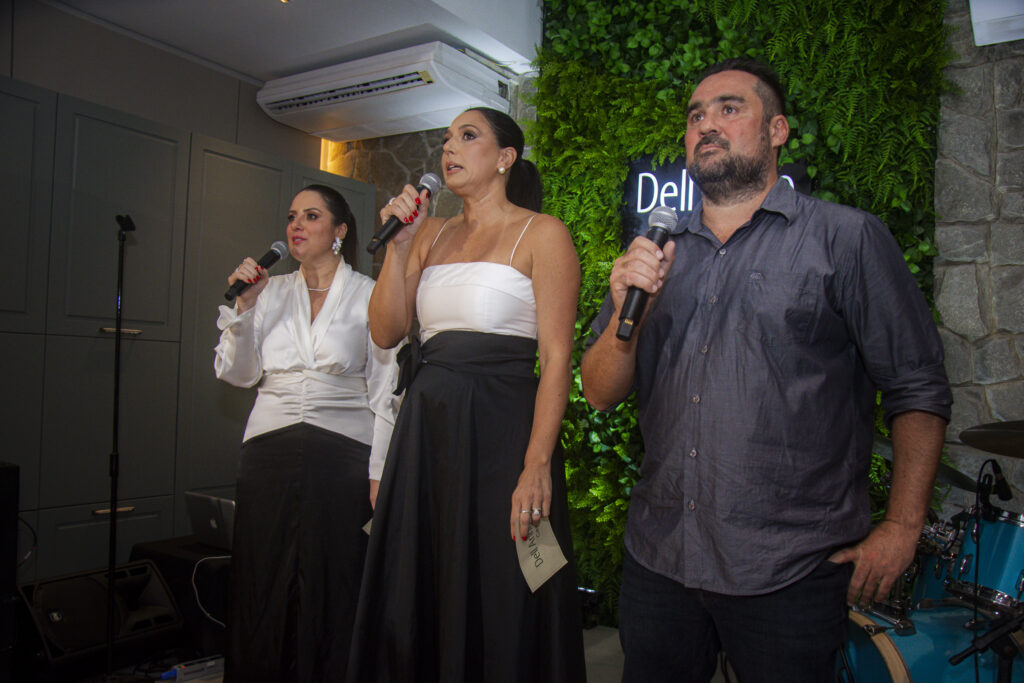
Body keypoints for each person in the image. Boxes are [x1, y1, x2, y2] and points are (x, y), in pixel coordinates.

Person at [580, 58, 952, 683]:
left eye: (730, 109)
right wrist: (626, 310)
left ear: (777, 130)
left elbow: (917, 385)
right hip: (660, 561)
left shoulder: (846, 239)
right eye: (696, 115)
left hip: (791, 570)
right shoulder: (654, 254)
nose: (707, 125)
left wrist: (905, 524)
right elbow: (597, 392)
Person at [347, 107, 586, 683]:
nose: (449, 148)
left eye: (468, 136)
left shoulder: (542, 233)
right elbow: (384, 332)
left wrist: (537, 465)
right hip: (428, 435)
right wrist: (399, 247)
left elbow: (556, 359)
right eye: (447, 138)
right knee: (424, 582)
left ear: (505, 158)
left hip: (503, 436)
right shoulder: (428, 233)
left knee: (509, 581)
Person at [214, 185, 400, 682]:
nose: (296, 225)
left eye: (311, 216)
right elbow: (237, 374)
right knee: (263, 581)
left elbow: (386, 394)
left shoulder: (370, 293)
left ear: (340, 231)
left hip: (342, 454)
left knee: (333, 583)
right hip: (267, 452)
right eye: (292, 215)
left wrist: (379, 472)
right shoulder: (267, 291)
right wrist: (244, 310)